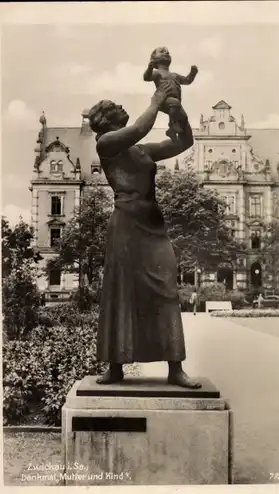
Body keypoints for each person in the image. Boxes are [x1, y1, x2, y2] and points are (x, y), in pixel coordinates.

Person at [86, 81, 201, 389]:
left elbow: (183, 143)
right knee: (121, 291)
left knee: (166, 289)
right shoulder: (107, 144)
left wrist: (178, 113)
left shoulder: (139, 151)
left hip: (152, 225)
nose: (122, 108)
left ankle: (175, 368)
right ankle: (115, 367)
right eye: (115, 107)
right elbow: (139, 127)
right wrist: (156, 100)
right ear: (105, 119)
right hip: (126, 225)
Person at [143, 47, 198, 142]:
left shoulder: (175, 75)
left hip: (175, 103)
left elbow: (187, 81)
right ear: (154, 58)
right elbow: (147, 77)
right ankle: (172, 126)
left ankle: (172, 131)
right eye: (162, 51)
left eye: (168, 52)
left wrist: (193, 73)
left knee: (184, 117)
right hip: (164, 100)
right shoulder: (157, 73)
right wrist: (150, 67)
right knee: (174, 103)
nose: (166, 53)